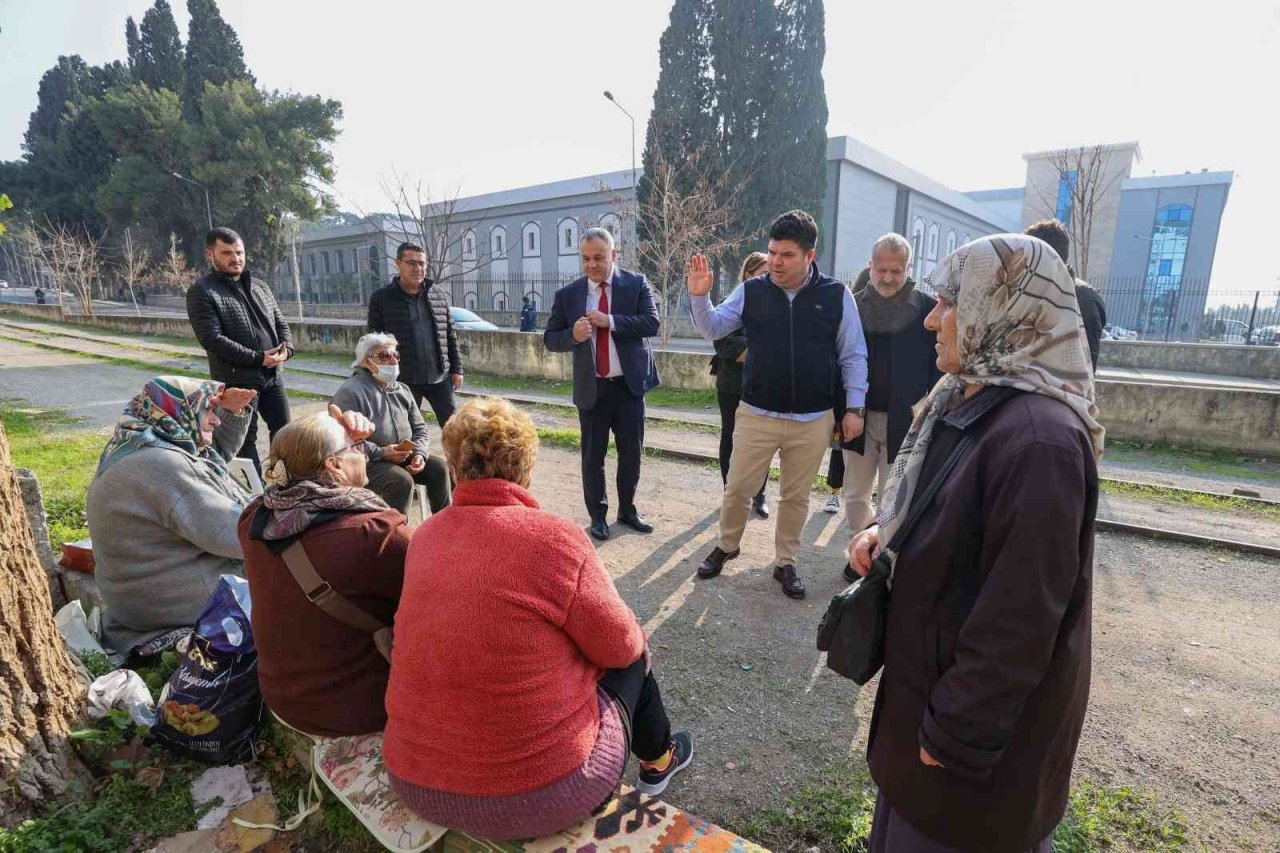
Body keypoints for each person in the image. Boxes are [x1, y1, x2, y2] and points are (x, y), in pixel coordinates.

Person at [847, 234, 1101, 853]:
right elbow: (948, 501)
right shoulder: (973, 398)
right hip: (930, 707)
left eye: (949, 303)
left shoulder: (1039, 440)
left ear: (1002, 307)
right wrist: (889, 531)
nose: (932, 318)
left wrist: (955, 734)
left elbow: (1020, 619)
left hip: (970, 756)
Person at [383, 397, 693, 840]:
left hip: (414, 780)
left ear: (453, 468)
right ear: (526, 469)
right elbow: (620, 646)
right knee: (632, 651)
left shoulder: (426, 535)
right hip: (539, 797)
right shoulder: (553, 536)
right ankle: (659, 760)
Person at [687, 210, 868, 600]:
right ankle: (727, 545)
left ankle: (785, 562)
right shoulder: (753, 290)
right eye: (772, 252)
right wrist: (700, 297)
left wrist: (854, 408)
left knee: (796, 496)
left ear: (810, 255)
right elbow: (713, 328)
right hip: (757, 412)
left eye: (786, 255)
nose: (775, 262)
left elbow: (853, 354)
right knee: (737, 488)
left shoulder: (836, 296)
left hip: (813, 417)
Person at [239, 406, 409, 737]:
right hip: (355, 709)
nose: (364, 453)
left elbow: (299, 451)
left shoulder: (254, 518)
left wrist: (333, 433)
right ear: (333, 464)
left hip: (284, 696)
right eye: (357, 448)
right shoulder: (375, 534)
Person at [86, 376, 256, 656]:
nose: (216, 421)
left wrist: (233, 411)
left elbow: (207, 461)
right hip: (167, 602)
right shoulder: (163, 465)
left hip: (132, 599)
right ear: (180, 412)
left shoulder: (136, 442)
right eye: (209, 411)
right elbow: (235, 535)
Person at [544, 227, 660, 541]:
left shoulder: (635, 284)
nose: (592, 264)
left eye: (598, 257)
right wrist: (573, 336)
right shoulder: (568, 295)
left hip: (628, 387)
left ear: (613, 255)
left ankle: (628, 509)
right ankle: (598, 516)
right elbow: (550, 339)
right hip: (592, 388)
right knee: (593, 458)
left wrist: (610, 321)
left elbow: (652, 322)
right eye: (585, 258)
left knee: (631, 454)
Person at [836, 233, 941, 581]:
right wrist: (843, 410)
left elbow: (937, 366)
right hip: (858, 416)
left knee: (894, 495)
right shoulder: (851, 304)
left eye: (896, 270)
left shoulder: (926, 308)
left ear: (907, 268)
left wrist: (927, 411)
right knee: (855, 492)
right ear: (871, 265)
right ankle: (859, 551)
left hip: (906, 420)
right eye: (881, 269)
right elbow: (837, 359)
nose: (888, 278)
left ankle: (882, 555)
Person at [186, 227, 294, 475]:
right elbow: (212, 339)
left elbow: (280, 323)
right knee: (245, 441)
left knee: (286, 433)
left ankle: (289, 484)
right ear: (210, 255)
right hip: (237, 382)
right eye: (227, 253)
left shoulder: (260, 287)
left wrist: (287, 348)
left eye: (239, 252)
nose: (236, 258)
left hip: (272, 377)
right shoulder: (202, 291)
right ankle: (254, 498)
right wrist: (258, 358)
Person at [329, 333, 451, 516]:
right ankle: (396, 534)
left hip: (404, 455)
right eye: (385, 355)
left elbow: (420, 428)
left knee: (439, 468)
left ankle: (444, 529)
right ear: (366, 361)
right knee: (400, 481)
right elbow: (343, 440)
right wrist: (382, 452)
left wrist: (419, 454)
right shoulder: (351, 391)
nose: (393, 361)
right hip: (367, 461)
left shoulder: (402, 389)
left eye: (396, 355)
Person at [367, 242, 463, 427]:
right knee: (408, 430)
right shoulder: (382, 298)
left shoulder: (438, 295)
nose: (417, 268)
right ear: (398, 263)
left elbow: (450, 335)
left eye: (421, 263)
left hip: (440, 377)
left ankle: (456, 458)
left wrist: (456, 369)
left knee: (455, 429)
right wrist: (380, 374)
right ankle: (417, 457)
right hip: (405, 379)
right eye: (411, 263)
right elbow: (374, 340)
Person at [710, 251, 770, 520]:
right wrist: (759, 348)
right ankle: (729, 490)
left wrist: (749, 348)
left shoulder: (777, 305)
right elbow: (723, 343)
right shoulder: (731, 303)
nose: (768, 278)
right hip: (732, 385)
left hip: (764, 386)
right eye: (762, 273)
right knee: (731, 437)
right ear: (748, 275)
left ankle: (759, 494)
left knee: (764, 442)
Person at [1023, 218, 1106, 371]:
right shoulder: (1034, 290)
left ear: (1044, 256)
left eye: (1029, 253)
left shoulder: (1083, 300)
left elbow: (1084, 366)